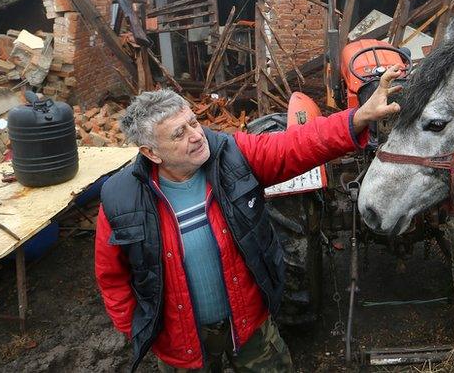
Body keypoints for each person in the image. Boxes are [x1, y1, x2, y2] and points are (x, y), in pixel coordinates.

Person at [94, 67, 403, 372]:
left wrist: (359, 116)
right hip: (180, 344)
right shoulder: (121, 199)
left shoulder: (233, 156)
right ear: (152, 153)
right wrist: (137, 329)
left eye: (192, 122)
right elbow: (112, 278)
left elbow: (296, 145)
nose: (196, 135)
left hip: (250, 325)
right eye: (179, 134)